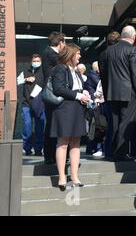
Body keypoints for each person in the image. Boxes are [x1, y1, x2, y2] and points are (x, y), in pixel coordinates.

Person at [50, 43, 90, 191]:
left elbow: (78, 88)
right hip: (65, 109)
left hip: (77, 108)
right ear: (71, 54)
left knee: (76, 143)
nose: (80, 56)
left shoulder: (77, 71)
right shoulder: (60, 68)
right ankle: (61, 177)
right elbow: (58, 89)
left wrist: (84, 93)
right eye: (78, 54)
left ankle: (74, 176)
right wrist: (79, 95)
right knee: (63, 142)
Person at [102, 26, 136, 162]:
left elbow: (104, 75)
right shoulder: (132, 50)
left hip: (111, 92)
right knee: (126, 122)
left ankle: (112, 152)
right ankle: (121, 153)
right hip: (128, 93)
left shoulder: (107, 51)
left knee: (114, 123)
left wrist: (106, 91)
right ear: (134, 37)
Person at [41, 31, 65, 164]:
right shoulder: (52, 54)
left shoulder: (48, 52)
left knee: (52, 124)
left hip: (51, 93)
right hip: (51, 94)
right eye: (64, 42)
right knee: (51, 124)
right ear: (60, 42)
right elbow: (65, 62)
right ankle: (49, 155)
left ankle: (51, 155)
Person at [98, 31, 120, 160]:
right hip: (116, 92)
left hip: (107, 92)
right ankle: (113, 152)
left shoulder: (103, 54)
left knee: (111, 124)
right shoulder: (114, 54)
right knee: (115, 124)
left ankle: (108, 151)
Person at [21, 54, 45, 156]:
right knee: (27, 126)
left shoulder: (44, 73)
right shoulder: (26, 71)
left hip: (39, 103)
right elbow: (17, 81)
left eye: (38, 61)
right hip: (26, 103)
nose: (36, 62)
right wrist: (26, 79)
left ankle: (38, 149)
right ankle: (27, 148)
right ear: (31, 62)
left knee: (40, 127)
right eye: (34, 61)